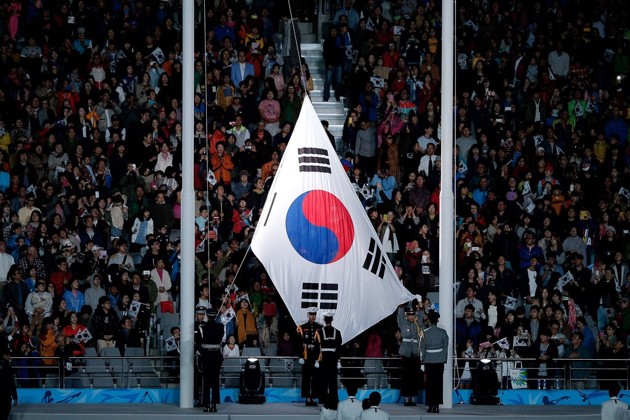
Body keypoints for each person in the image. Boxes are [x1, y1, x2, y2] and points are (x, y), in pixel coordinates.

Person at [420, 310, 449, 413]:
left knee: (429, 384)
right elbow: (445, 348)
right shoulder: (443, 332)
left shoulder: (424, 333)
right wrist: (444, 359)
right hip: (440, 360)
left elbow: (422, 349)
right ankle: (436, 405)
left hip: (428, 360)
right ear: (437, 320)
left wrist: (422, 361)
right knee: (438, 383)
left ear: (429, 320)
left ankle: (430, 405)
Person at [196, 308, 224, 413]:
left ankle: (207, 404)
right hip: (216, 354)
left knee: (206, 381)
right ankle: (214, 405)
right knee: (215, 380)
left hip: (207, 355)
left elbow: (199, 342)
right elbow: (222, 340)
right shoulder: (221, 327)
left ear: (207, 315)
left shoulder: (202, 327)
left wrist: (202, 351)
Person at [397, 305, 423, 406]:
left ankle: (412, 398)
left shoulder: (417, 323)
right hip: (406, 352)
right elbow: (399, 314)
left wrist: (420, 308)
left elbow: (421, 316)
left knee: (414, 376)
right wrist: (402, 305)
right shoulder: (403, 323)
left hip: (415, 352)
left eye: (413, 314)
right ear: (406, 315)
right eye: (409, 315)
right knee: (406, 376)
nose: (411, 316)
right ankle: (406, 398)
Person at [297, 307, 322, 406]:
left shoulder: (320, 327)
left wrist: (319, 359)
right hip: (306, 356)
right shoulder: (302, 327)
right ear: (307, 315)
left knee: (316, 377)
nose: (313, 316)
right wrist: (300, 356)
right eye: (311, 315)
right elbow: (299, 343)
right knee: (306, 378)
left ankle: (314, 397)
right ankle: (307, 398)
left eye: (314, 315)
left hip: (315, 356)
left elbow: (321, 344)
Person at [319, 312, 342, 405]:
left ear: (324, 320)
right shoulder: (338, 332)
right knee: (333, 380)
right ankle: (334, 400)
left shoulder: (319, 332)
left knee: (323, 380)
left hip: (323, 358)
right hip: (333, 358)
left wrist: (317, 360)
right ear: (332, 320)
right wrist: (339, 360)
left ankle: (323, 399)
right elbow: (339, 348)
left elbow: (318, 347)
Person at [0, 347, 18, 420]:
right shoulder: (7, 366)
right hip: (4, 396)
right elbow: (11, 382)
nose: (9, 357)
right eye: (8, 355)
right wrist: (15, 397)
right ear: (4, 356)